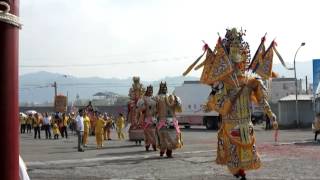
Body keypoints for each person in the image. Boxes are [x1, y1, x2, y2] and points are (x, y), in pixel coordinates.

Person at [193, 28, 278, 179]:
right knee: (233, 155)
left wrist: (270, 114)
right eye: (234, 51)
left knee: (246, 153)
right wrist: (228, 97)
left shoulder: (251, 79)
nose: (239, 58)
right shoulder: (224, 81)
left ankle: (241, 172)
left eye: (241, 51)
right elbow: (216, 102)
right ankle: (239, 172)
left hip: (246, 123)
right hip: (230, 124)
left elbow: (262, 100)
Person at [155, 82, 183, 158]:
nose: (164, 89)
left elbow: (154, 110)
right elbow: (179, 109)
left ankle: (167, 150)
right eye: (163, 87)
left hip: (166, 120)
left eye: (165, 87)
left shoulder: (171, 97)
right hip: (167, 120)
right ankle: (166, 150)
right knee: (167, 136)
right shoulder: (161, 98)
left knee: (167, 136)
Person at [137, 85, 157, 151]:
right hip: (146, 118)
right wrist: (144, 108)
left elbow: (157, 108)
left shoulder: (154, 98)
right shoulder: (143, 99)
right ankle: (148, 145)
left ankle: (154, 145)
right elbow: (140, 109)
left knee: (154, 133)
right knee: (147, 133)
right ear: (147, 91)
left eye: (151, 90)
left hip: (153, 118)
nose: (151, 91)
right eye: (149, 90)